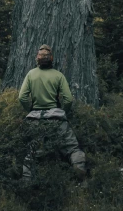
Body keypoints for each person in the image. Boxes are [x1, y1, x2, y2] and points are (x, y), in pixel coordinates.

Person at [18, 44, 86, 181]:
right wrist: (62, 112)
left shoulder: (31, 74)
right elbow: (68, 99)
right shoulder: (58, 76)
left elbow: (22, 97)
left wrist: (30, 110)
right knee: (73, 149)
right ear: (51, 59)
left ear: (37, 59)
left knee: (31, 153)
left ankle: (27, 185)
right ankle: (82, 182)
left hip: (35, 119)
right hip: (56, 118)